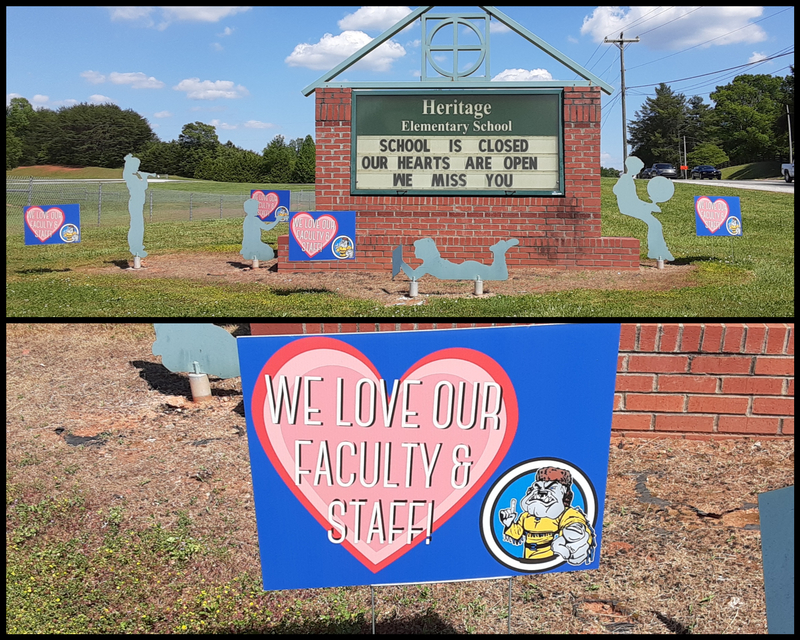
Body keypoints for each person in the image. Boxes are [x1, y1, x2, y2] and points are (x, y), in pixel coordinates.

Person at [498, 466, 595, 565]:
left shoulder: (562, 513)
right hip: (527, 555)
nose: (542, 493)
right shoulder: (525, 516)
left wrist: (578, 537)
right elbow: (517, 533)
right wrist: (509, 523)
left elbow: (574, 521)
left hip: (548, 555)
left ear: (563, 491)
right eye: (538, 487)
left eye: (551, 488)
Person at [613, 156, 675, 261]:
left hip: (630, 206)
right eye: (638, 168)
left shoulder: (627, 179)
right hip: (627, 208)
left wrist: (648, 206)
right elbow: (631, 200)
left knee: (655, 224)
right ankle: (657, 251)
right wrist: (648, 207)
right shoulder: (626, 179)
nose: (639, 171)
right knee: (655, 224)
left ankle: (658, 251)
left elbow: (633, 199)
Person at [395, 237, 519, 281]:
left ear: (424, 251)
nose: (415, 251)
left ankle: (499, 252)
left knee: (499, 276)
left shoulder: (429, 265)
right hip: (466, 268)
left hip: (467, 270)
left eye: (417, 248)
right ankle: (499, 251)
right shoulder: (431, 263)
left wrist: (400, 262)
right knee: (496, 274)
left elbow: (413, 276)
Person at [123, 154, 155, 258]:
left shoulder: (135, 177)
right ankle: (134, 247)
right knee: (136, 226)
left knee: (140, 226)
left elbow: (143, 188)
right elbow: (127, 172)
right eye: (136, 165)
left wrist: (144, 178)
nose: (137, 168)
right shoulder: (129, 176)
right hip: (135, 204)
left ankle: (138, 246)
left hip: (139, 204)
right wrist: (128, 160)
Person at [241, 198, 281, 262]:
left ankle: (250, 254)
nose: (258, 210)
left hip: (247, 243)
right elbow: (267, 228)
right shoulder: (255, 219)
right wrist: (277, 220)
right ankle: (253, 255)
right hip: (254, 244)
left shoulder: (247, 219)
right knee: (269, 253)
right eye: (256, 208)